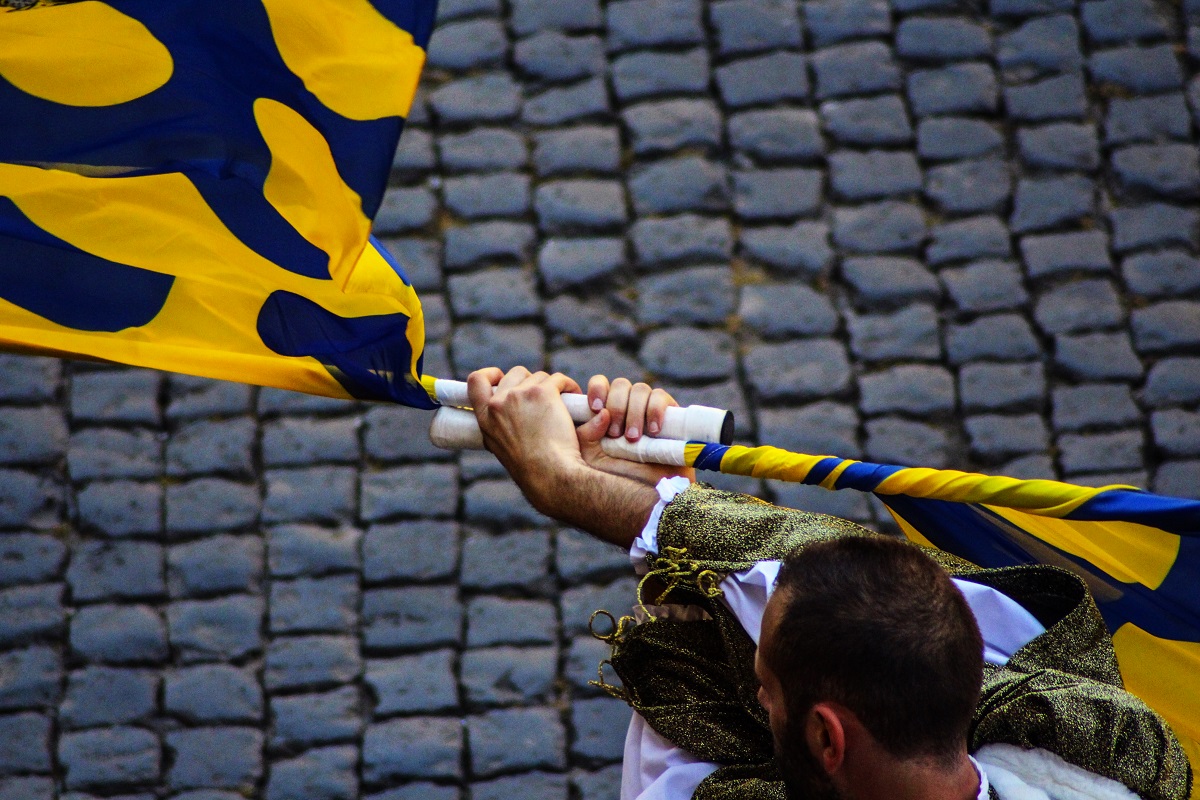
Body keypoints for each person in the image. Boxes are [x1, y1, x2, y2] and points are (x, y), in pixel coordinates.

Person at [466, 367, 1192, 800]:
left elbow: (680, 691)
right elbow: (843, 569)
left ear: (827, 736)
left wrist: (568, 482)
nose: (756, 694)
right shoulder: (1112, 744)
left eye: (766, 684)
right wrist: (663, 500)